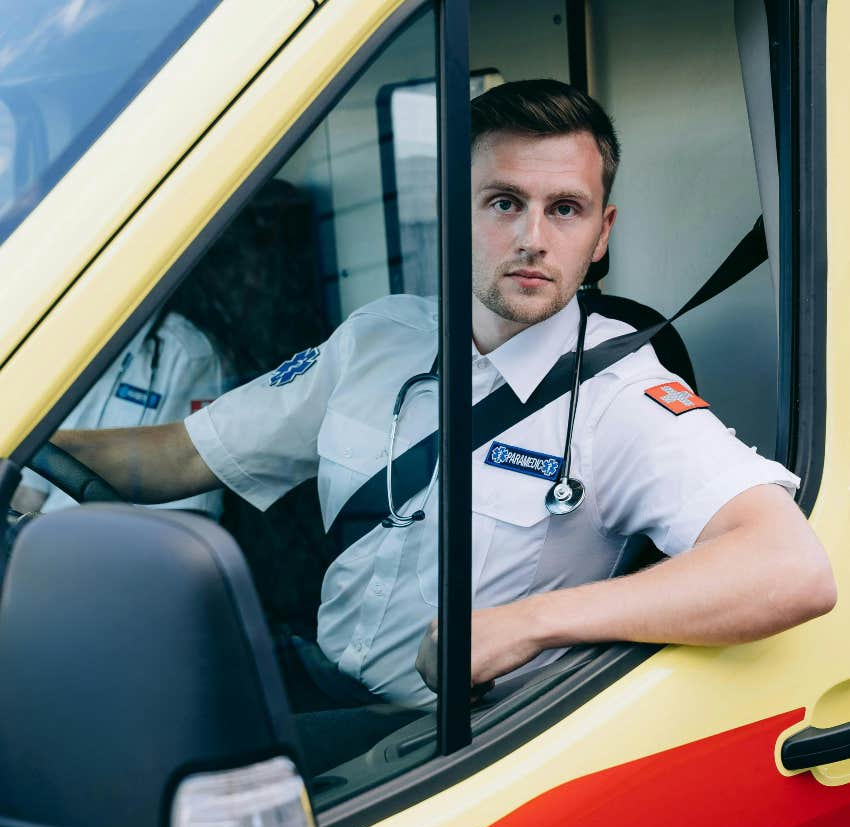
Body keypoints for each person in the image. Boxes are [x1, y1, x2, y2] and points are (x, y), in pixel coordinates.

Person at [50, 81, 836, 707]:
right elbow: (178, 458)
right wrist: (31, 443)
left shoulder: (622, 398)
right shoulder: (377, 338)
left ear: (601, 235)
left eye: (565, 209)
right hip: (312, 694)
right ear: (456, 213)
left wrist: (529, 625)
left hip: (446, 760)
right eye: (504, 203)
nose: (533, 237)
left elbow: (789, 567)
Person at [14, 311, 226, 518]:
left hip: (123, 541)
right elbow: (31, 488)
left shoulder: (187, 354)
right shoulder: (56, 340)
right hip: (43, 532)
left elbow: (189, 510)